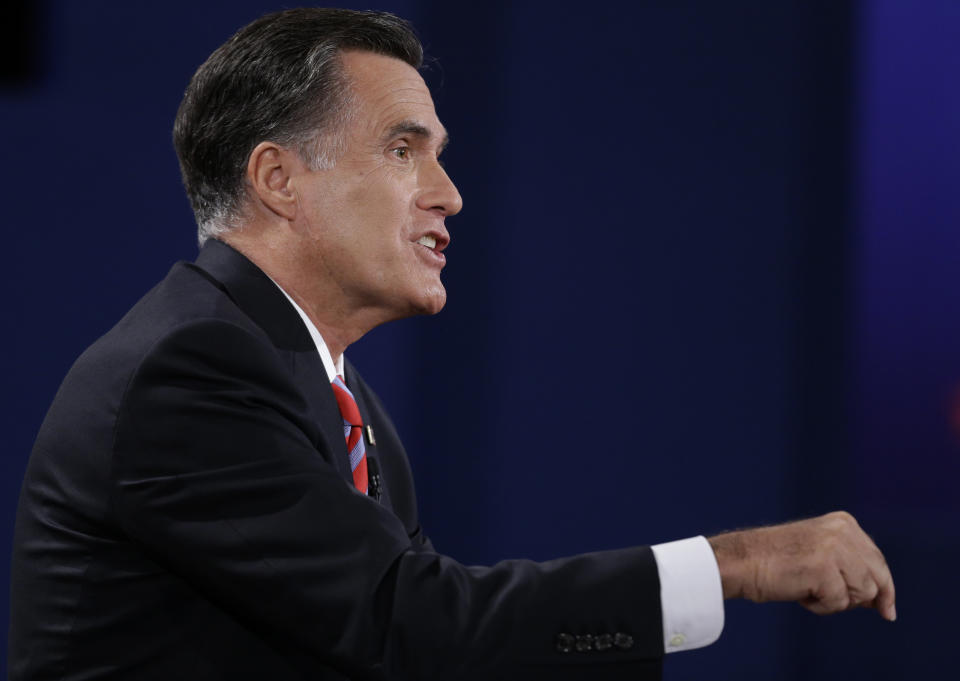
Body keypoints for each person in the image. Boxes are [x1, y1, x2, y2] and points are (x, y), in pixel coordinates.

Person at [8, 8, 895, 680]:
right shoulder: (191, 370)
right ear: (279, 179)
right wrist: (733, 565)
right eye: (404, 149)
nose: (449, 194)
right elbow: (413, 626)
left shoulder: (329, 390)